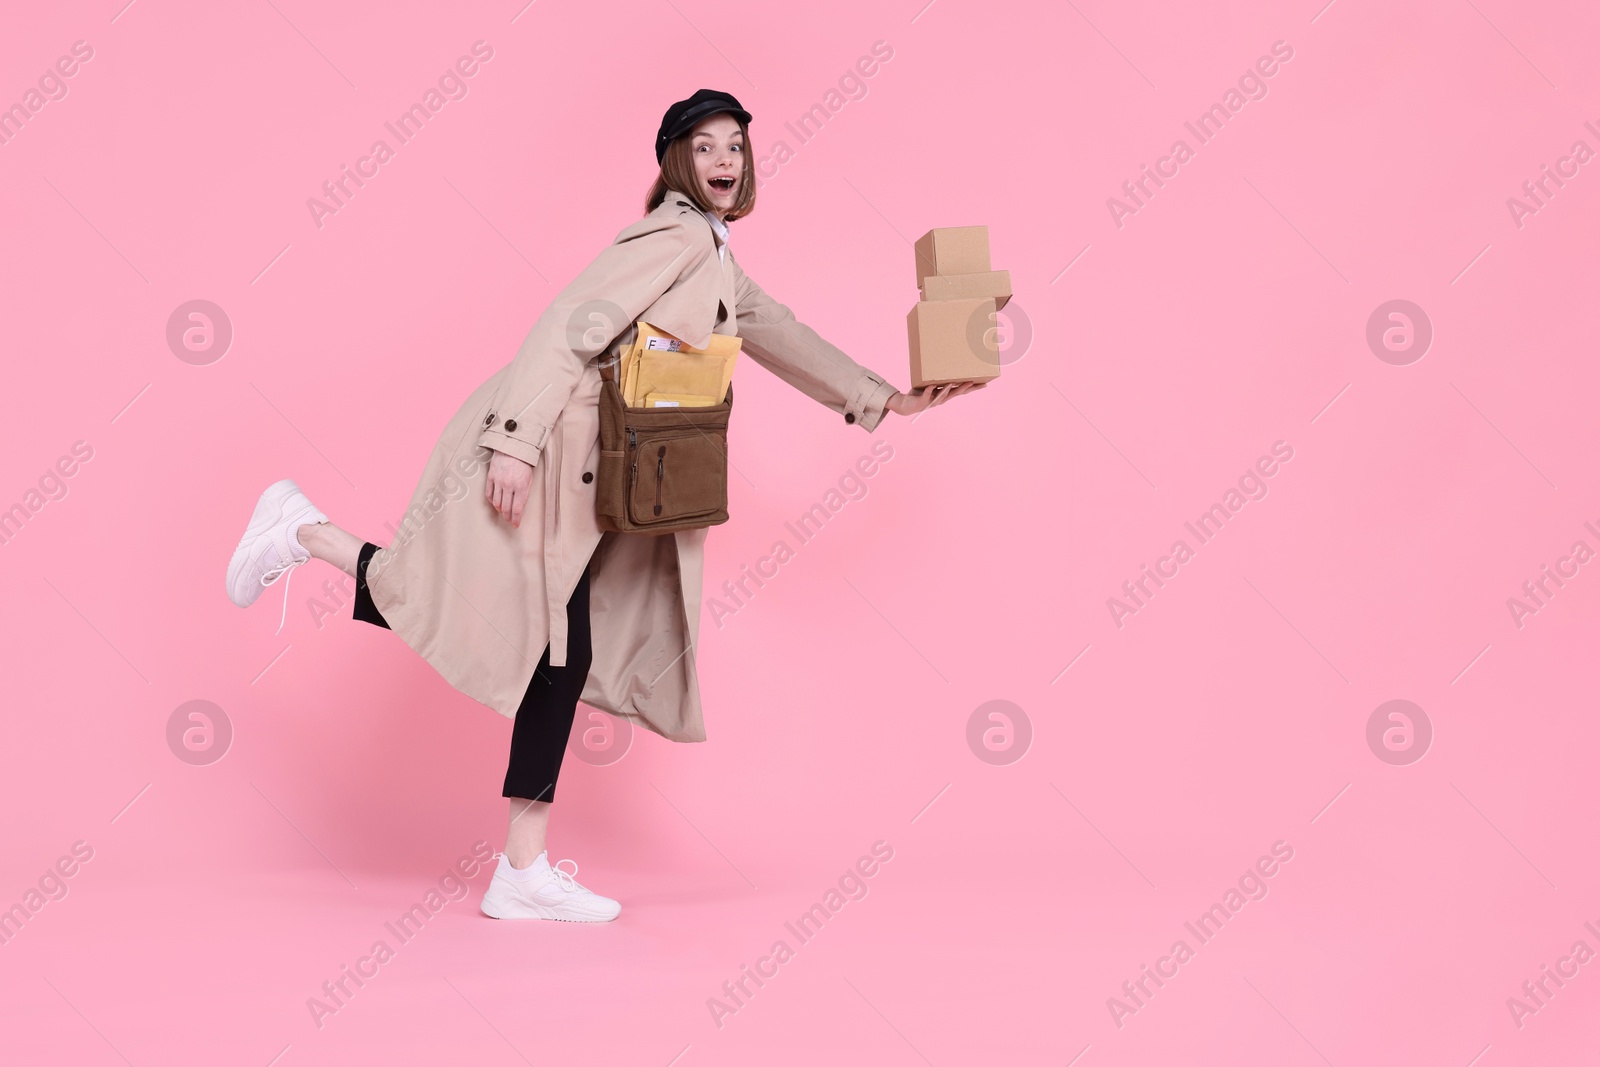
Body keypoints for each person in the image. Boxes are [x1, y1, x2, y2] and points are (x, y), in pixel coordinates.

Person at [223, 89, 983, 922]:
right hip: (548, 456)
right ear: (675, 161)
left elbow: (780, 333)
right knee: (518, 637)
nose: (725, 160)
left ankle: (305, 535)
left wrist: (887, 399)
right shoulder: (675, 234)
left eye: (735, 145)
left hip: (593, 478)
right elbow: (570, 322)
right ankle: (303, 534)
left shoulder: (714, 253)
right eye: (705, 147)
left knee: (532, 642)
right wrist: (512, 439)